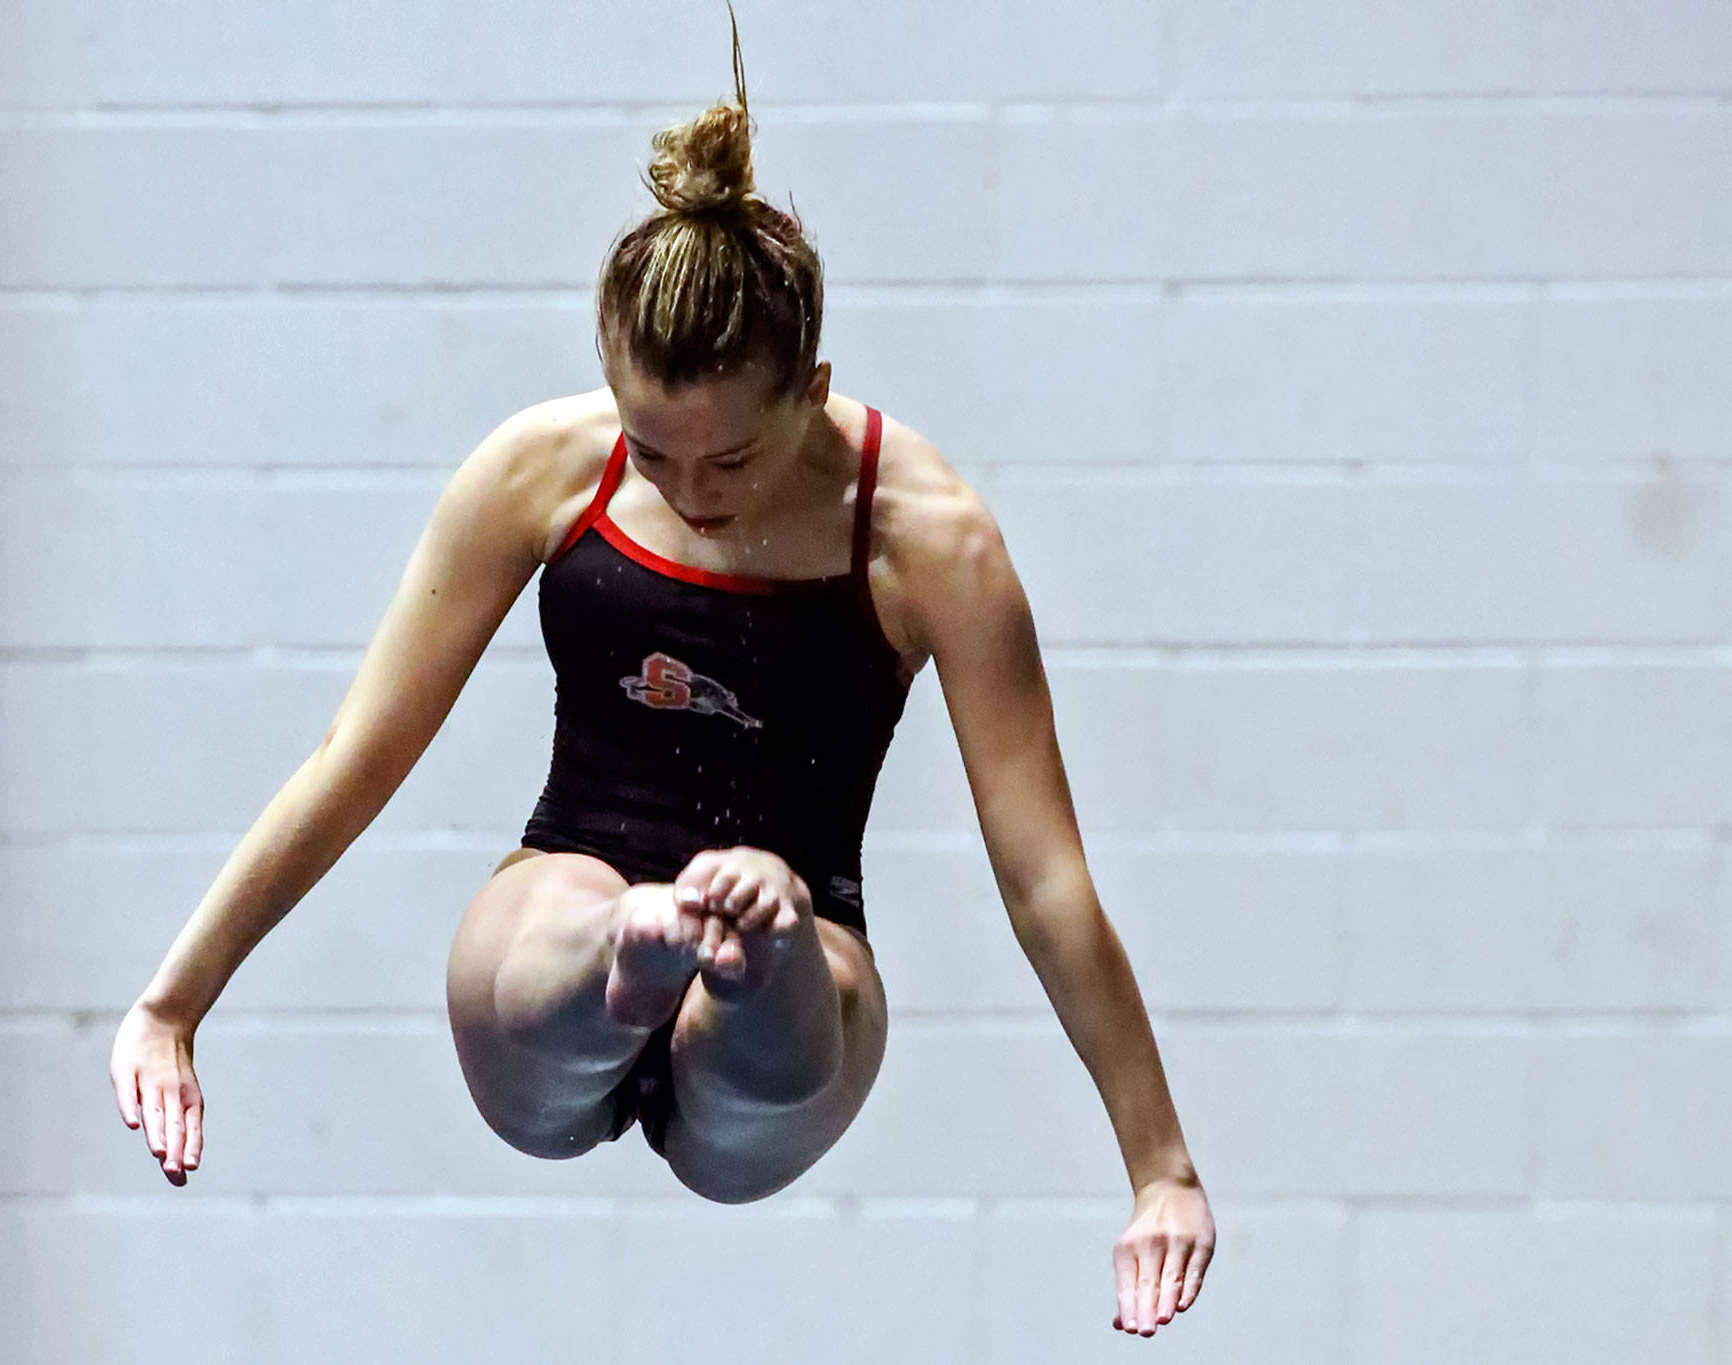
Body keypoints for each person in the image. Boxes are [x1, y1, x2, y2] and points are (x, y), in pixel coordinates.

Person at [108, 16, 1214, 1340]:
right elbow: (359, 755)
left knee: (793, 1009)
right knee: (553, 936)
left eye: (731, 462)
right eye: (652, 451)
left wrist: (1160, 1164)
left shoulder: (929, 540)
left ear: (811, 387)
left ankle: (754, 946)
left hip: (810, 942)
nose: (688, 493)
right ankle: (634, 955)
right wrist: (175, 1000)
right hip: (575, 869)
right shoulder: (541, 470)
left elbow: (1043, 879)